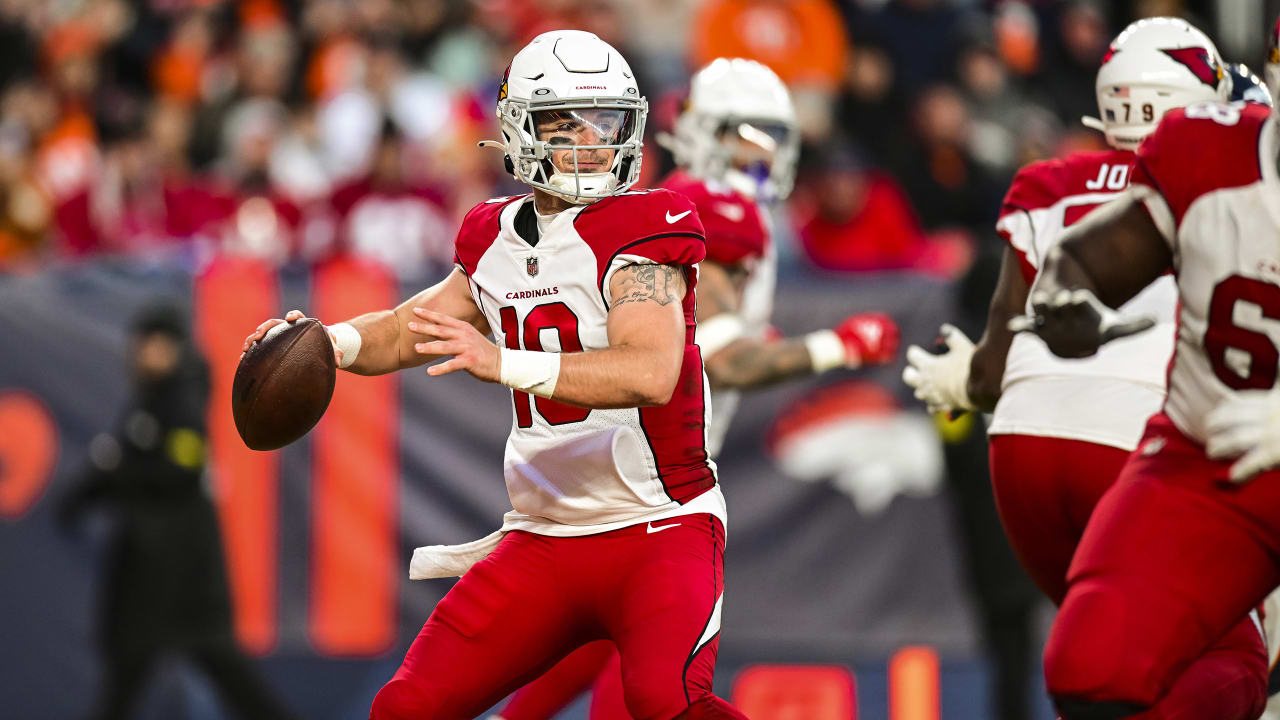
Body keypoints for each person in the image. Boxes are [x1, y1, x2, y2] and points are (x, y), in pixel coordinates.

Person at [243, 30, 747, 720]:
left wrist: (504, 361)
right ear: (518, 129)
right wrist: (322, 341)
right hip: (544, 541)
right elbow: (406, 328)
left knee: (665, 700)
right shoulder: (495, 236)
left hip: (656, 528)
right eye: (566, 122)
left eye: (606, 122)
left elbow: (651, 371)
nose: (590, 142)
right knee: (407, 708)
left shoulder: (645, 228)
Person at [492, 57, 900, 720]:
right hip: (643, 483)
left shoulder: (679, 204)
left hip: (603, 463)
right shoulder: (715, 213)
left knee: (588, 653)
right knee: (646, 687)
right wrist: (837, 346)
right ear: (706, 132)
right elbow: (724, 361)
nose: (760, 154)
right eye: (746, 135)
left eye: (772, 138)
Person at [904, 17, 1270, 719]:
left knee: (1110, 666)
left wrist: (968, 379)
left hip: (1021, 449)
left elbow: (992, 372)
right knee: (1232, 661)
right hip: (1144, 446)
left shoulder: (1050, 183)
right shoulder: (1220, 175)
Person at [60, 304, 297, 720]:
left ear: (173, 347)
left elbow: (178, 469)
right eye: (140, 343)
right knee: (130, 673)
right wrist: (90, 491)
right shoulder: (148, 401)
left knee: (217, 663)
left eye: (154, 343)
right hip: (150, 566)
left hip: (186, 567)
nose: (144, 352)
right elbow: (131, 460)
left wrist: (118, 473)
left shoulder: (182, 399)